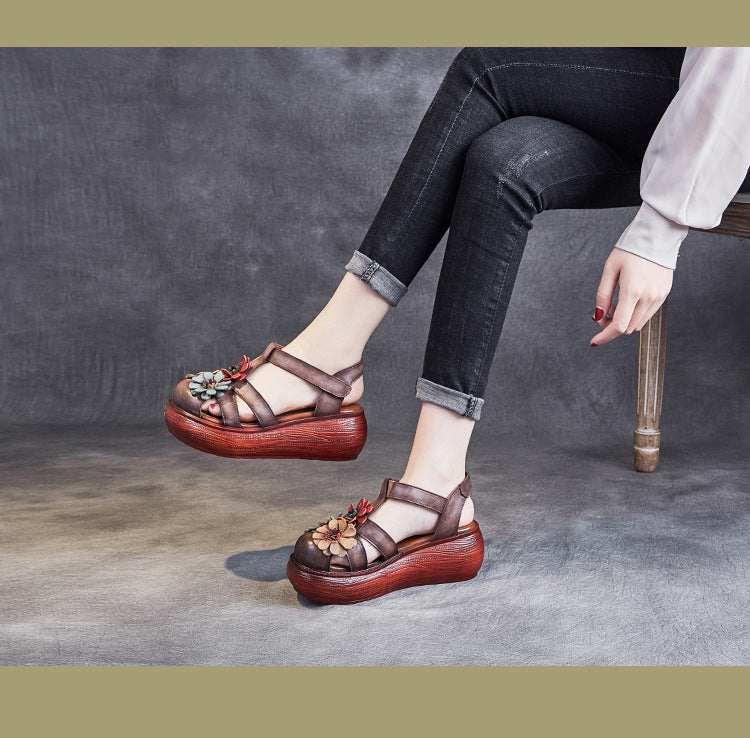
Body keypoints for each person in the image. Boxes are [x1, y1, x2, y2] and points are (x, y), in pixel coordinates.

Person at [165, 47, 750, 604]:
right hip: (676, 83)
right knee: (501, 163)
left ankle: (327, 357)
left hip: (730, 103)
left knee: (488, 67)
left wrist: (660, 230)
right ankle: (437, 485)